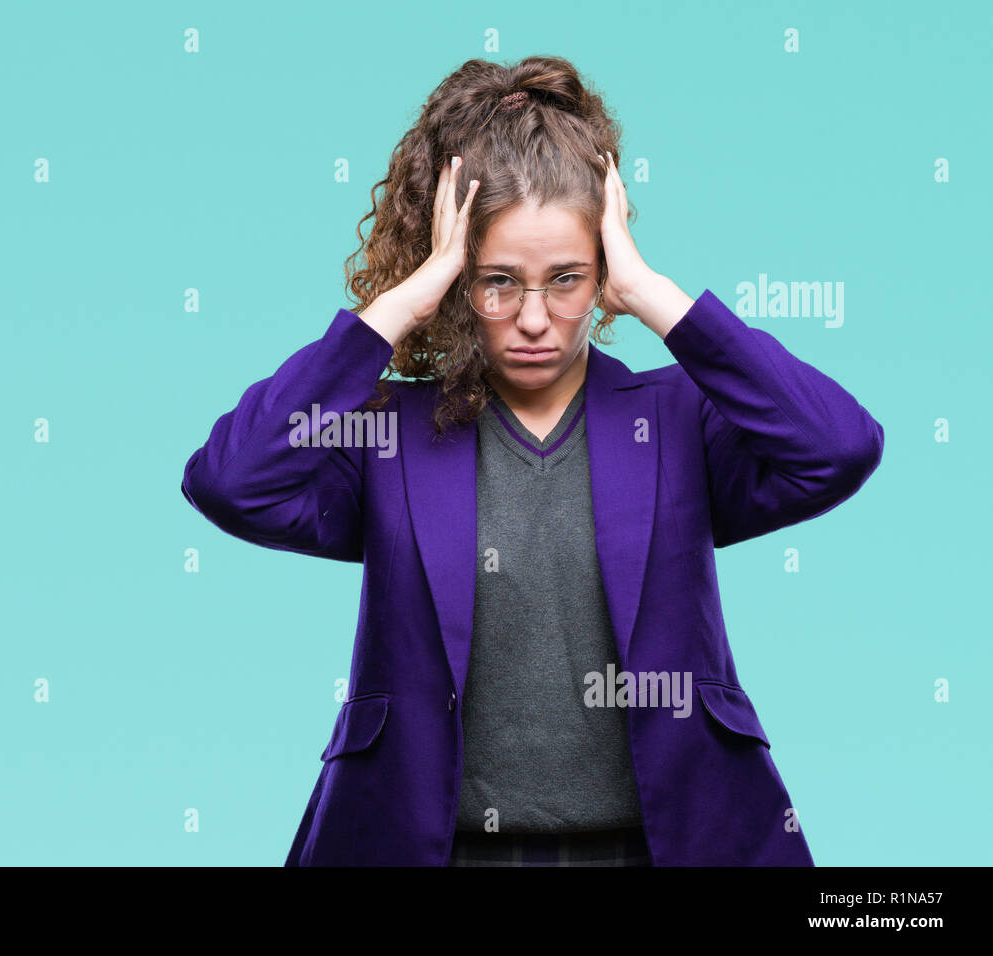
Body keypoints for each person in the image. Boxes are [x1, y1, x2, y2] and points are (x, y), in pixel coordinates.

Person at [181, 55, 884, 866]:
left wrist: (655, 294)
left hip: (662, 848)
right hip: (434, 850)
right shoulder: (388, 435)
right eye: (497, 283)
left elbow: (838, 447)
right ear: (458, 280)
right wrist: (402, 301)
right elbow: (229, 481)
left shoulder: (678, 420)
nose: (535, 319)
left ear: (603, 273)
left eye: (568, 280)